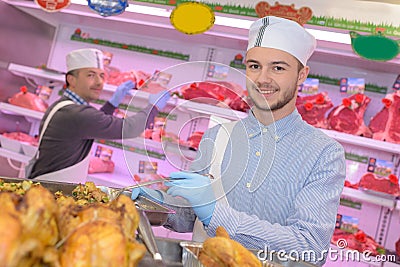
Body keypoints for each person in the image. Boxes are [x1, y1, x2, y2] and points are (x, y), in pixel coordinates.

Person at [132, 16, 346, 265]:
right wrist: (158, 205)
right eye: (254, 66)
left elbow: (310, 247)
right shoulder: (217, 136)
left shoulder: (324, 153)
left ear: (301, 75)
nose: (262, 79)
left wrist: (217, 215)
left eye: (278, 68)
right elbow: (189, 215)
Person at [27, 48, 170, 182]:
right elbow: (128, 128)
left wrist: (112, 104)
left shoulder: (64, 105)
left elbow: (92, 122)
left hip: (47, 183)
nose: (99, 82)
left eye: (101, 76)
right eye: (90, 75)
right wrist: (154, 107)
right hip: (50, 192)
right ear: (71, 80)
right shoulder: (77, 114)